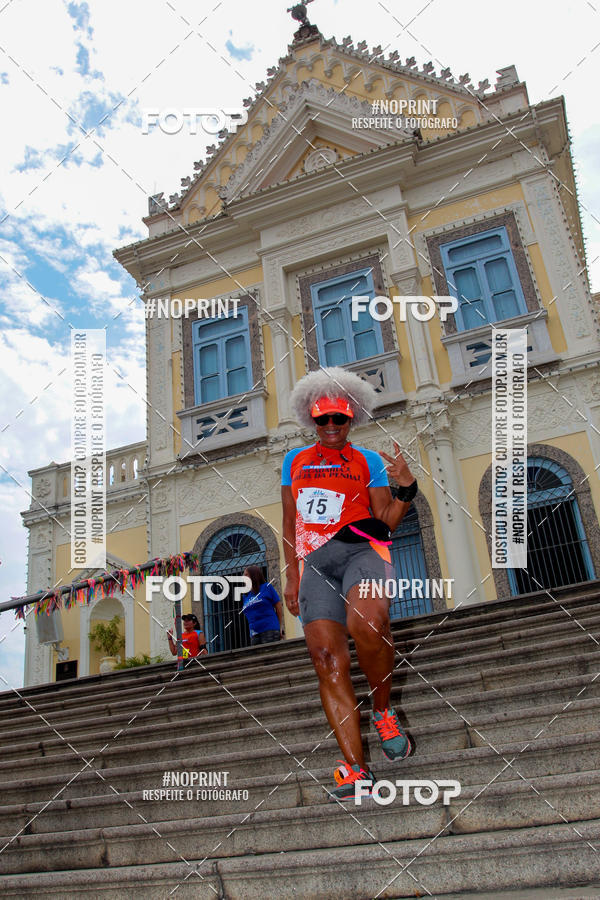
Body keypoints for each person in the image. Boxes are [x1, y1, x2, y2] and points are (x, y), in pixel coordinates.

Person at [281, 366, 418, 801]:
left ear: (351, 418)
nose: (331, 426)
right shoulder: (294, 462)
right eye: (323, 419)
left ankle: (382, 711)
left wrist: (407, 489)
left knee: (369, 626)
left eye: (339, 418)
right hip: (315, 564)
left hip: (364, 552)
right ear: (311, 420)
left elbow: (386, 523)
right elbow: (290, 522)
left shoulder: (368, 460)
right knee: (326, 658)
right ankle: (354, 768)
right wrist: (291, 574)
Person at [242, 565, 285, 645]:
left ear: (254, 575)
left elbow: (278, 606)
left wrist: (280, 626)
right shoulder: (246, 595)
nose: (243, 577)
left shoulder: (267, 587)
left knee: (270, 656)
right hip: (254, 633)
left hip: (270, 629)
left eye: (246, 574)